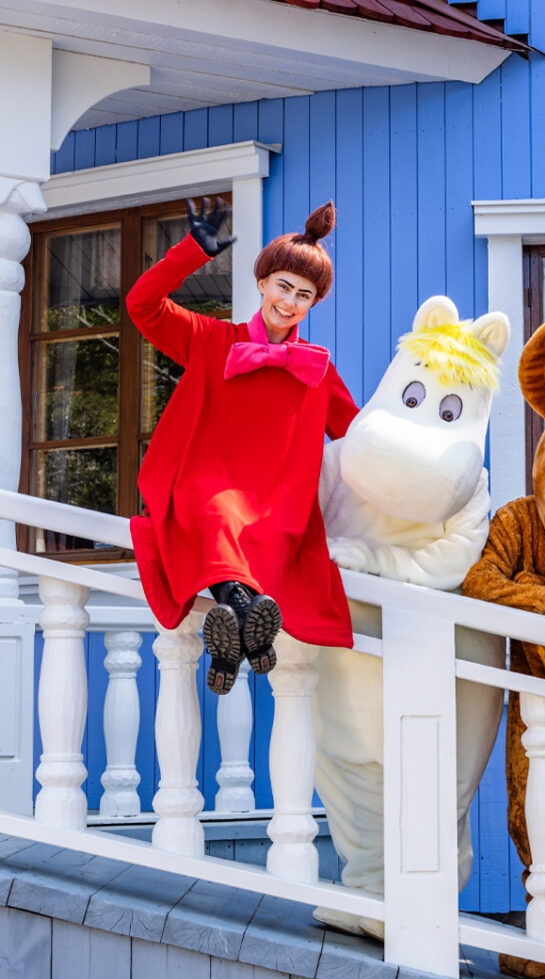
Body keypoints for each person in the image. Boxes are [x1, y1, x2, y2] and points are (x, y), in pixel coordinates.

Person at [127, 198, 359, 694]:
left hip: (279, 507)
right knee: (216, 518)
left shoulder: (317, 371)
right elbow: (141, 306)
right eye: (283, 286)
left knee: (259, 534)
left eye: (304, 294)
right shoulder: (211, 340)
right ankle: (252, 634)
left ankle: (238, 631)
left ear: (313, 303)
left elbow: (359, 440)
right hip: (206, 488)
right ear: (262, 284)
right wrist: (193, 252)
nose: (289, 301)